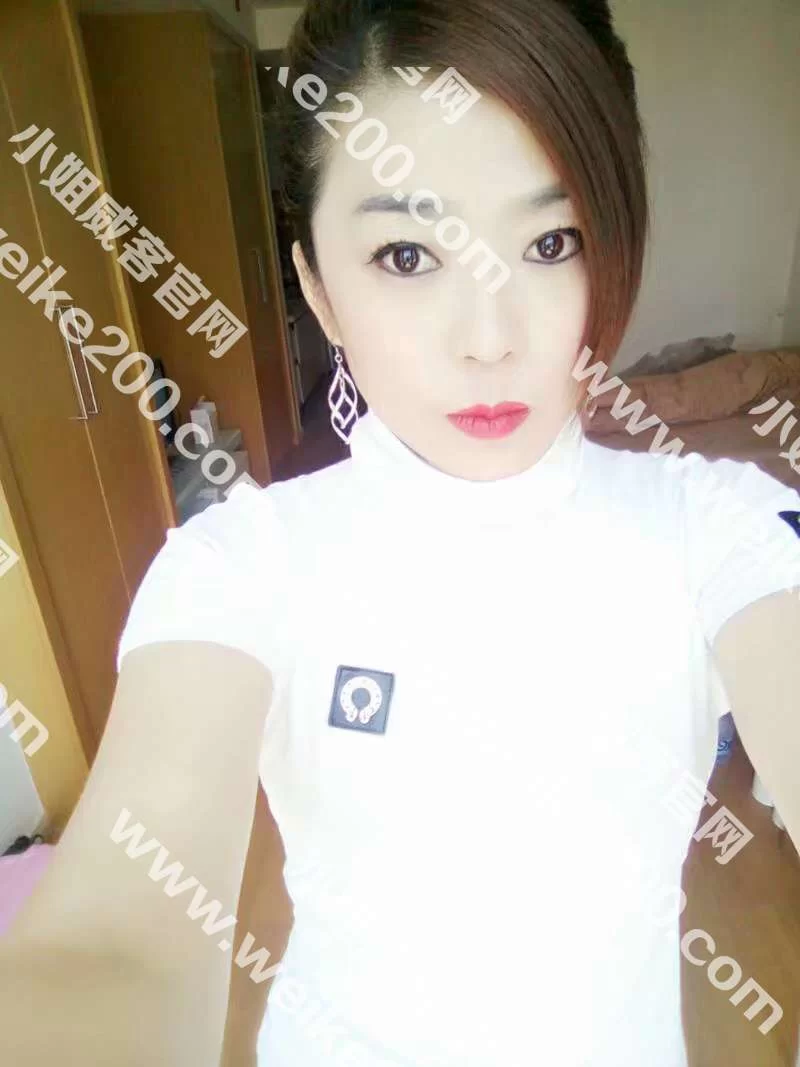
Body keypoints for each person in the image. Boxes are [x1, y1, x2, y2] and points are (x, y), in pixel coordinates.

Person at [2, 1, 799, 1065]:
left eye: (549, 243)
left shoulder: (714, 529)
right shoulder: (242, 565)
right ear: (318, 290)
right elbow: (118, 940)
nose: (489, 339)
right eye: (408, 255)